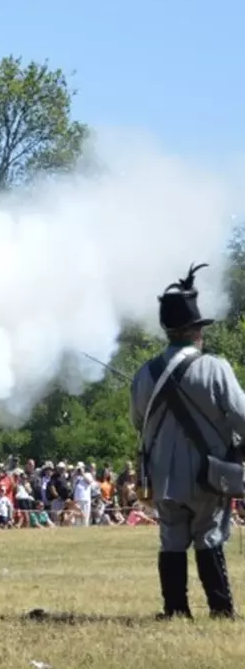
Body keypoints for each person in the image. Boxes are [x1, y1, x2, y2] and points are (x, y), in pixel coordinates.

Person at [131, 263, 245, 619]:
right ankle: (220, 608)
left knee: (172, 538)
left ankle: (176, 609)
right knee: (209, 534)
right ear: (195, 330)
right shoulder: (216, 368)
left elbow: (139, 423)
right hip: (207, 473)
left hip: (162, 474)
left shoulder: (144, 374)